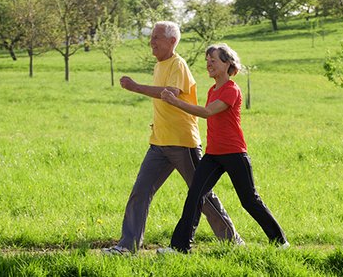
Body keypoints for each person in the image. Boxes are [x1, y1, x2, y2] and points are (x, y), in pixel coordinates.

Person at [102, 22, 242, 255]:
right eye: (152, 37)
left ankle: (232, 240)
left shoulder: (178, 64)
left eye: (156, 38)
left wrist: (136, 87)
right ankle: (127, 246)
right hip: (158, 142)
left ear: (172, 41)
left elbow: (170, 94)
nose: (152, 42)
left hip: (182, 142)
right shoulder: (159, 65)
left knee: (202, 195)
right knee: (141, 191)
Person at [159, 43, 289, 254]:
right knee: (195, 196)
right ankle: (180, 246)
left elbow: (208, 112)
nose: (209, 64)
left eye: (214, 60)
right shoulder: (213, 89)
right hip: (213, 155)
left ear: (228, 63)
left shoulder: (231, 89)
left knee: (249, 200)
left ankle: (280, 241)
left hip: (234, 153)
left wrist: (175, 102)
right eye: (207, 60)